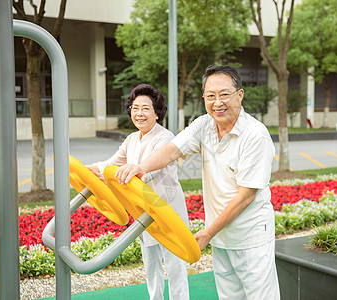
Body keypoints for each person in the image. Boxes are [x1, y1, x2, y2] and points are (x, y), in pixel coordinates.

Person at [117, 65, 280, 299]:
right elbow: (172, 150)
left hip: (250, 236)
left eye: (224, 94)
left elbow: (246, 196)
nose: (217, 102)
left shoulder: (255, 135)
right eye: (210, 96)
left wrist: (208, 233)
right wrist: (140, 167)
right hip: (221, 237)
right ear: (204, 97)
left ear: (240, 95)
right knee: (230, 297)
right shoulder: (204, 124)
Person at [86, 84, 190, 300]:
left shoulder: (165, 137)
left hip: (167, 207)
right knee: (151, 263)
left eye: (145, 108)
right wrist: (90, 170)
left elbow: (151, 170)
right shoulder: (133, 138)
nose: (139, 113)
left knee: (175, 265)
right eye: (135, 108)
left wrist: (135, 172)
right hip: (143, 209)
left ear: (157, 112)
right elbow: (110, 164)